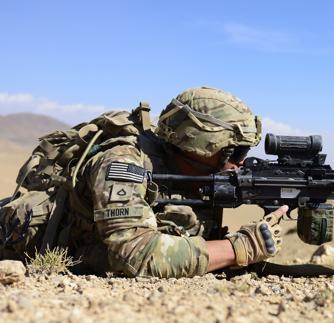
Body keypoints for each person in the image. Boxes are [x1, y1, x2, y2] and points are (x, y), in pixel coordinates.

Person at [2, 86, 286, 278]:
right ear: (199, 144)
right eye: (234, 152)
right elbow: (135, 254)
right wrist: (238, 248)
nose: (239, 163)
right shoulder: (123, 162)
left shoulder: (184, 169)